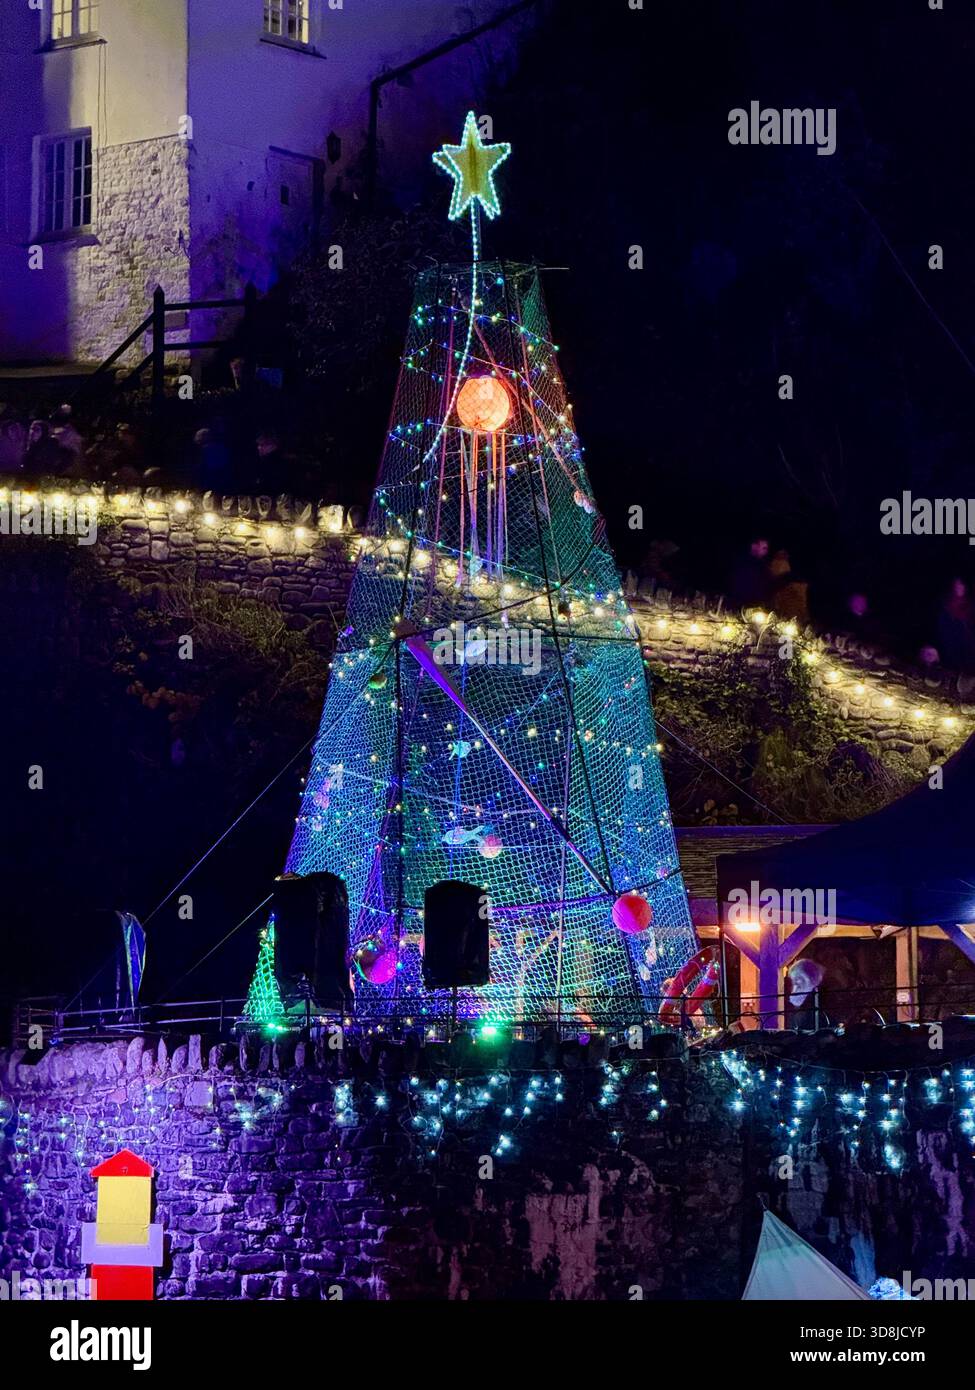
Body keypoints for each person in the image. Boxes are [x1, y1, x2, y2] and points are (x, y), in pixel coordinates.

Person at [935, 577, 975, 672]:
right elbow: (943, 629)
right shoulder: (946, 605)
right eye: (957, 585)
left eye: (961, 585)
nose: (959, 587)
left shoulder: (970, 604)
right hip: (952, 643)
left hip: (969, 644)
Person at [728, 536, 772, 609]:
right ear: (754, 546)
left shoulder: (762, 565)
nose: (766, 552)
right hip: (742, 603)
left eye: (766, 549)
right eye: (764, 548)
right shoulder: (743, 562)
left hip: (755, 604)